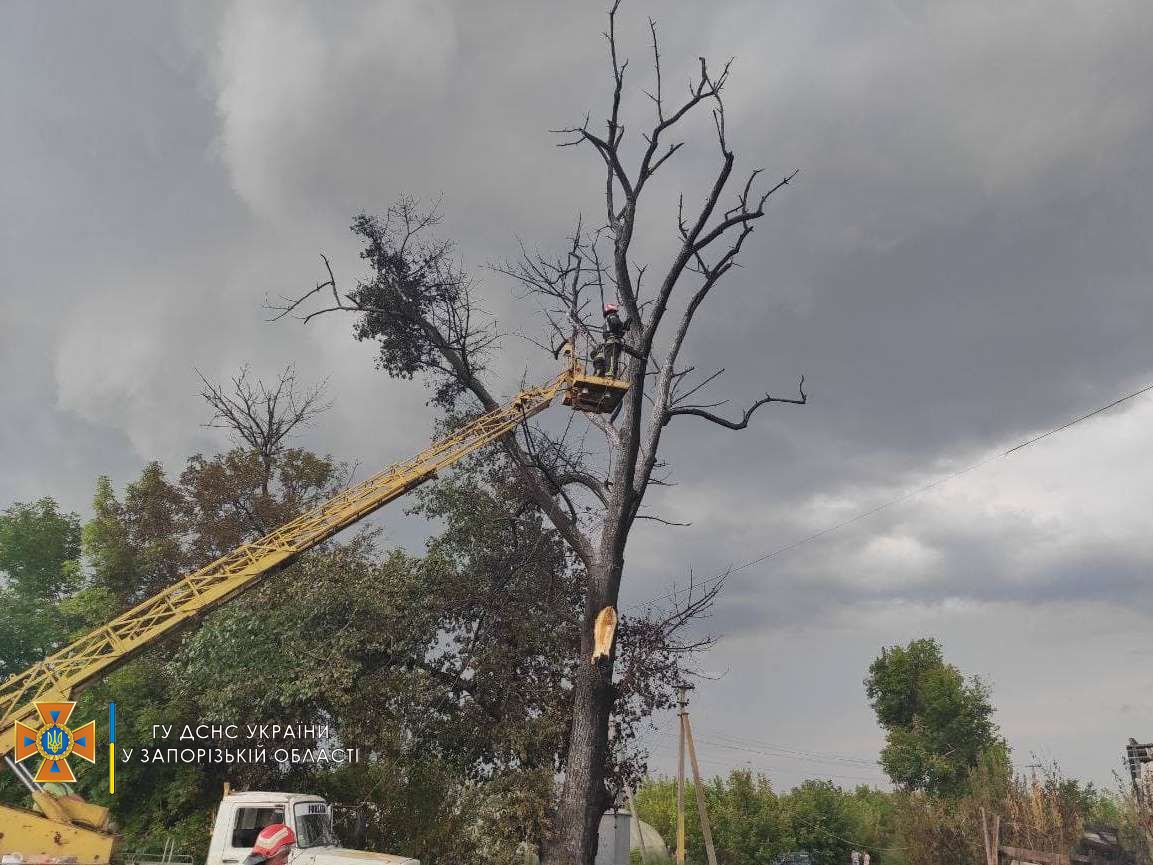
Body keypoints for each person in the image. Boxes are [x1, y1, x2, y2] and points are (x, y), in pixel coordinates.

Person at [602, 302, 629, 377]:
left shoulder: (607, 321)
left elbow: (606, 334)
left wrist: (624, 329)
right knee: (612, 359)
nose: (616, 313)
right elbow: (618, 327)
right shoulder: (613, 318)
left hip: (609, 342)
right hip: (613, 343)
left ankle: (610, 374)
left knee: (610, 358)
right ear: (612, 311)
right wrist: (624, 327)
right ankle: (611, 374)